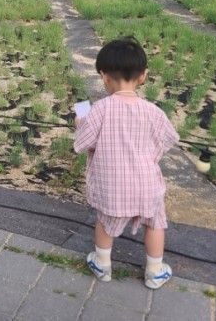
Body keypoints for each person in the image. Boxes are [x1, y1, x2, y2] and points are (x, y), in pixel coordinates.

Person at [74, 37, 179, 289]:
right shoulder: (153, 112)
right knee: (155, 223)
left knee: (106, 222)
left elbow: (82, 144)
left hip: (113, 186)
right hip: (146, 185)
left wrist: (80, 124)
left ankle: (102, 264)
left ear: (104, 76)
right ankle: (154, 271)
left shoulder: (100, 109)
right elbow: (168, 139)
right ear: (143, 76)